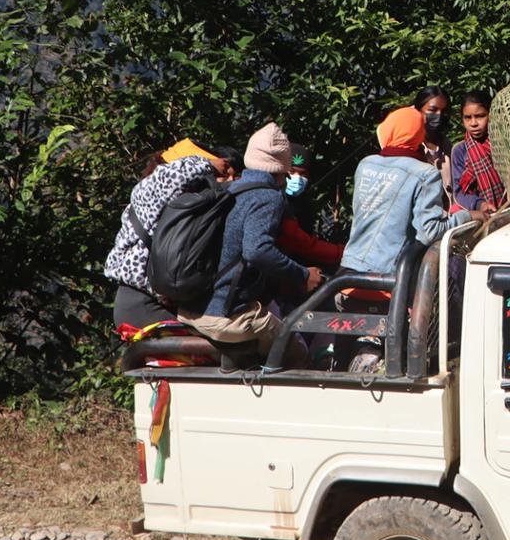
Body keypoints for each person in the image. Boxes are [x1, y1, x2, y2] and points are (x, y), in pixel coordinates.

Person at [177, 124, 325, 369]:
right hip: (226, 316)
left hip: (193, 310)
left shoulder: (231, 189)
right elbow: (258, 250)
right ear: (283, 165)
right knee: (297, 352)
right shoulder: (268, 196)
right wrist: (302, 274)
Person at [105, 139, 240, 331]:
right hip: (142, 303)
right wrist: (209, 164)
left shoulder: (171, 205)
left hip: (158, 303)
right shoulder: (148, 191)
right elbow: (174, 175)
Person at [342, 105, 490, 279]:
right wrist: (469, 216)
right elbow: (430, 231)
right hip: (390, 275)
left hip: (349, 267)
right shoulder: (424, 173)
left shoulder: (366, 164)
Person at [448, 90, 506, 214]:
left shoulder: (503, 144)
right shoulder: (460, 151)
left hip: (509, 209)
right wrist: (479, 204)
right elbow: (459, 192)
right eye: (468, 118)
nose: (473, 123)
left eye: (480, 116)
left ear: (491, 115)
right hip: (479, 215)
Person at [414, 86, 454, 194]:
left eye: (444, 111)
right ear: (418, 110)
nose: (439, 115)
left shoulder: (447, 147)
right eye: (432, 110)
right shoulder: (411, 149)